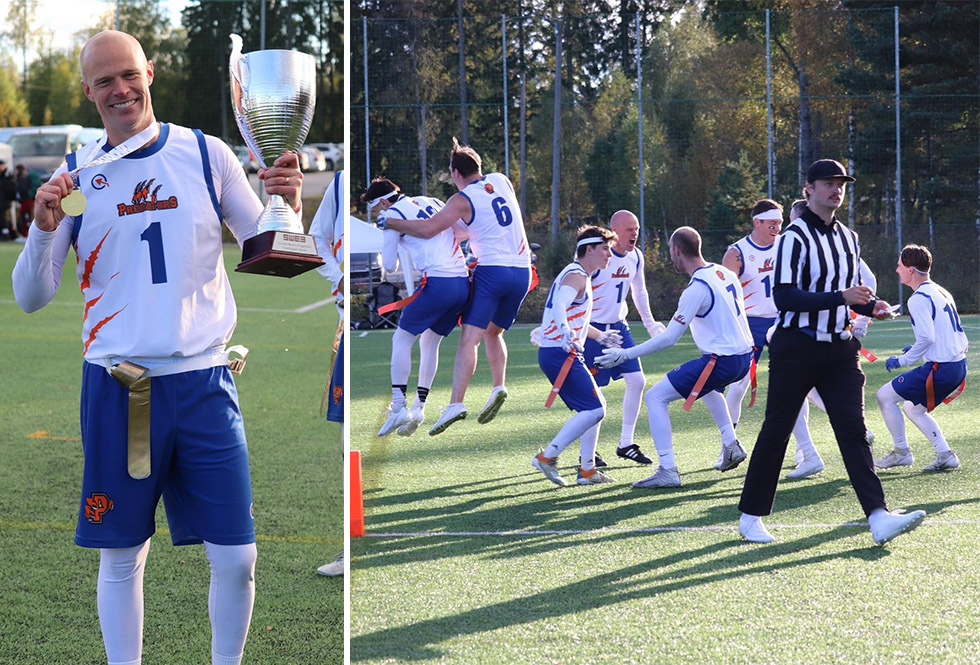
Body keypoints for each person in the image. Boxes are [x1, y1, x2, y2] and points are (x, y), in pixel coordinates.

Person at [11, 30, 303, 664]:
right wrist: (40, 230)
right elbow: (32, 296)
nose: (120, 90)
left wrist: (286, 207)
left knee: (238, 557)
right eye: (104, 81)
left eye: (128, 75)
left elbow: (270, 254)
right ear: (88, 92)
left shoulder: (206, 153)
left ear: (150, 72)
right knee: (122, 555)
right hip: (123, 387)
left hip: (204, 382)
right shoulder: (78, 177)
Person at [736, 159, 925, 546]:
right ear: (808, 189)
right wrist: (842, 297)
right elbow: (784, 296)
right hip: (796, 347)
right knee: (777, 430)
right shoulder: (792, 236)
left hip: (840, 348)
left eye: (840, 183)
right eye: (827, 182)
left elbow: (849, 294)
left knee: (854, 432)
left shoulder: (849, 238)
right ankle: (751, 516)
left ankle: (877, 515)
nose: (835, 189)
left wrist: (872, 307)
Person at [384, 138, 533, 436]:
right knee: (495, 332)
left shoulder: (460, 199)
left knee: (470, 339)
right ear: (478, 165)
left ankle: (456, 403)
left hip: (493, 271)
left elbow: (428, 229)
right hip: (524, 270)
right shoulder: (501, 181)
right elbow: (471, 229)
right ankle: (498, 386)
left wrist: (393, 223)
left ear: (455, 173)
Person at [596, 226, 753, 488]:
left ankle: (667, 469)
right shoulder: (724, 272)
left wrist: (624, 354)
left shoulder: (697, 288)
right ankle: (731, 444)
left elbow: (669, 338)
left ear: (677, 251)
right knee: (707, 387)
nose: (671, 257)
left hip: (723, 361)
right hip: (744, 359)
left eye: (671, 252)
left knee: (655, 397)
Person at [721, 199, 823, 479]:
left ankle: (804, 449)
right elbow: (725, 293)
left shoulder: (786, 245)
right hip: (750, 322)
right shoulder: (737, 252)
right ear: (757, 222)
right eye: (771, 223)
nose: (777, 227)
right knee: (739, 383)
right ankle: (728, 443)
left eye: (779, 223)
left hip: (782, 319)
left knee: (797, 381)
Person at [367, 176, 470, 437]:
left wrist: (390, 248)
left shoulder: (392, 216)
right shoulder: (431, 200)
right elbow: (462, 231)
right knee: (429, 342)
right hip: (461, 281)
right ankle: (419, 407)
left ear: (382, 201)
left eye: (375, 208)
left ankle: (399, 406)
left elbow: (390, 266)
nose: (376, 214)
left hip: (439, 282)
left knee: (401, 340)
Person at [532, 225, 619, 486]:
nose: (609, 255)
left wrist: (599, 336)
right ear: (589, 249)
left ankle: (588, 470)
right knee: (595, 409)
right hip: (560, 353)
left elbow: (573, 315)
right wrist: (564, 331)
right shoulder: (577, 275)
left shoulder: (579, 275)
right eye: (605, 249)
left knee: (593, 408)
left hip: (561, 351)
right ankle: (548, 457)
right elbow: (560, 305)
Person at [582, 210, 665, 467]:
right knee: (591, 394)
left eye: (637, 229)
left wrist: (651, 324)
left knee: (637, 380)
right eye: (630, 229)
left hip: (619, 328)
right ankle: (588, 454)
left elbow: (639, 291)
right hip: (593, 331)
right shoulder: (598, 257)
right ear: (615, 231)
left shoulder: (636, 257)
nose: (635, 234)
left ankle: (625, 443)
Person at [875, 244, 968, 472]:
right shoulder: (941, 290)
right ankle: (945, 455)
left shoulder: (918, 298)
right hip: (957, 365)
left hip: (943, 368)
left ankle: (901, 452)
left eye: (899, 266)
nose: (897, 271)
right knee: (913, 408)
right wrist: (917, 350)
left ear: (910, 269)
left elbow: (927, 337)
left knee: (884, 396)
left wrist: (902, 360)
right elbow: (942, 334)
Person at [311, 170, 347, 577]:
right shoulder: (337, 182)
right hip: (344, 334)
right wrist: (338, 277)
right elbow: (316, 239)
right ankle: (347, 545)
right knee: (344, 442)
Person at [14, 164, 41, 239]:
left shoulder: (23, 178)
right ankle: (27, 234)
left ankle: (26, 235)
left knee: (26, 217)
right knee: (28, 216)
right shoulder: (26, 176)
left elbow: (23, 190)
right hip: (28, 200)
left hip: (26, 200)